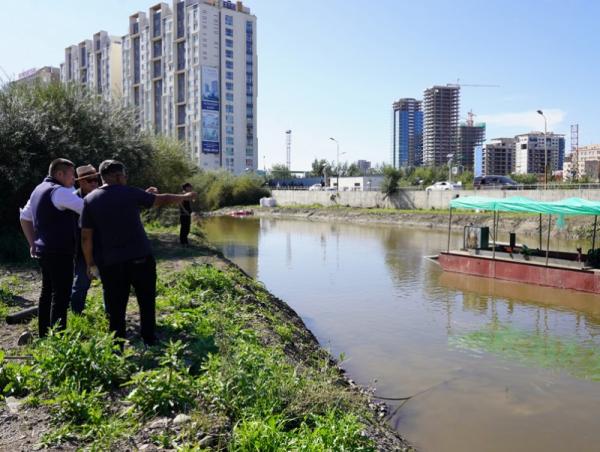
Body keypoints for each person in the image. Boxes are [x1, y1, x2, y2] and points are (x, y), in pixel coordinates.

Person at [80, 160, 196, 346]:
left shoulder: (90, 200)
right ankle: (149, 339)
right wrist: (186, 196)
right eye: (124, 175)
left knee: (116, 306)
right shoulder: (130, 193)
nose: (125, 178)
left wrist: (90, 263)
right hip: (140, 258)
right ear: (118, 176)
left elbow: (86, 237)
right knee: (146, 300)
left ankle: (117, 345)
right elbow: (162, 199)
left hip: (110, 263)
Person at [19, 158, 84, 338]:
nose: (74, 179)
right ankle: (58, 340)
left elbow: (24, 218)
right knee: (61, 296)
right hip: (60, 251)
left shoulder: (38, 190)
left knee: (46, 293)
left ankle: (44, 335)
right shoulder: (60, 192)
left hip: (44, 251)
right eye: (72, 175)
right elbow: (86, 209)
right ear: (59, 174)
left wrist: (32, 243)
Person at [70, 164, 100, 314]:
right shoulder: (73, 199)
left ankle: (111, 316)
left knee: (110, 283)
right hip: (81, 250)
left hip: (102, 247)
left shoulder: (101, 196)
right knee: (81, 284)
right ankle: (76, 315)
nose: (95, 183)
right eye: (90, 180)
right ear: (80, 182)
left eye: (96, 179)